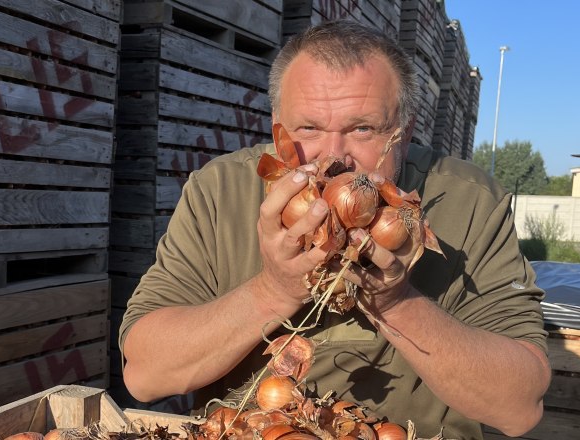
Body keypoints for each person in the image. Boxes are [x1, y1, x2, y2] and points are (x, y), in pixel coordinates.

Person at [119, 19, 551, 439]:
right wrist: (274, 290)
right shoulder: (221, 190)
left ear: (405, 131)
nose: (333, 159)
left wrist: (396, 303)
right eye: (309, 128)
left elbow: (518, 407)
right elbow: (144, 375)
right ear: (279, 128)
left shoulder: (469, 202)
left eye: (362, 128)